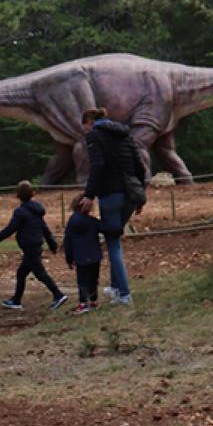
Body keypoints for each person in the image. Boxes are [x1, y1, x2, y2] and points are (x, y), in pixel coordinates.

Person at [78, 107, 146, 306]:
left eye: (85, 127)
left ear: (89, 121)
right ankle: (116, 288)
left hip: (111, 194)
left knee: (113, 243)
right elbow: (139, 165)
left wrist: (89, 195)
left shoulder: (94, 137)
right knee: (114, 236)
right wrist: (141, 195)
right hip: (130, 194)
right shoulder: (125, 135)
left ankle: (124, 294)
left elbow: (97, 167)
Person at [0, 180, 67, 312]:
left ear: (17, 195)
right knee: (21, 273)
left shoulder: (20, 212)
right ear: (33, 193)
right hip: (35, 245)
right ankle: (16, 300)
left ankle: (58, 295)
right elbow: (45, 228)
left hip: (30, 247)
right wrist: (52, 244)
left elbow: (11, 228)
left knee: (40, 273)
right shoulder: (37, 211)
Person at [64, 192, 104, 314]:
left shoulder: (72, 222)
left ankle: (83, 303)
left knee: (82, 281)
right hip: (95, 256)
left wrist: (69, 258)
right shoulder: (93, 222)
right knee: (94, 279)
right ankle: (93, 300)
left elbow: (68, 241)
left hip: (80, 257)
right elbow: (104, 228)